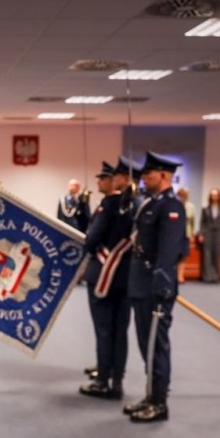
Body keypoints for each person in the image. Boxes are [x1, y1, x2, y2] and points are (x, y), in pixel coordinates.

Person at [125, 151, 186, 423]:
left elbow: (170, 250)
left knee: (155, 345)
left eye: (148, 174)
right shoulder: (150, 203)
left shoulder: (171, 206)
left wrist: (162, 284)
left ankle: (159, 402)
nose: (143, 179)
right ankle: (151, 394)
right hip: (141, 282)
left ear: (163, 176)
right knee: (143, 344)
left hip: (155, 285)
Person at [80, 161, 132, 400]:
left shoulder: (107, 206)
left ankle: (102, 381)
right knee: (120, 331)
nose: (99, 181)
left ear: (115, 180)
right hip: (126, 277)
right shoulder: (136, 206)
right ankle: (117, 381)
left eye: (103, 177)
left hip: (102, 275)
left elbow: (92, 239)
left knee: (104, 330)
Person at [198, 188, 220, 282]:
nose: (214, 197)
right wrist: (201, 234)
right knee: (207, 255)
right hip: (207, 233)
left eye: (216, 195)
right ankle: (207, 276)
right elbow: (202, 222)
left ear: (219, 197)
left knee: (216, 254)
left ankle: (215, 276)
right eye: (213, 195)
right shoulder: (205, 209)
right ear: (210, 197)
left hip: (218, 233)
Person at [175, 188, 195, 283]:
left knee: (183, 256)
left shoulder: (190, 206)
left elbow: (192, 222)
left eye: (185, 195)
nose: (183, 197)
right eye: (181, 195)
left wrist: (192, 234)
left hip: (185, 234)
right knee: (174, 255)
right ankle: (173, 275)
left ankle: (180, 275)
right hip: (175, 234)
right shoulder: (173, 205)